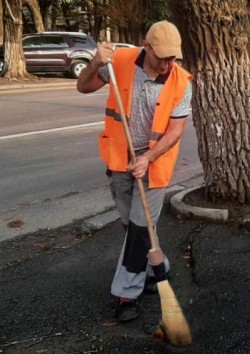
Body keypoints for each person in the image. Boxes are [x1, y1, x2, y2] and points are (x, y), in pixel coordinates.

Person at [77, 21, 192, 322]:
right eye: (162, 57)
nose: (168, 64)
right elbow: (83, 86)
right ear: (146, 46)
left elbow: (175, 132)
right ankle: (158, 267)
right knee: (133, 227)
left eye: (173, 58)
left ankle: (126, 294)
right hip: (119, 158)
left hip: (155, 164)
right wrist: (95, 63)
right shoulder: (120, 63)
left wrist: (148, 157)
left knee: (140, 228)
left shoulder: (181, 82)